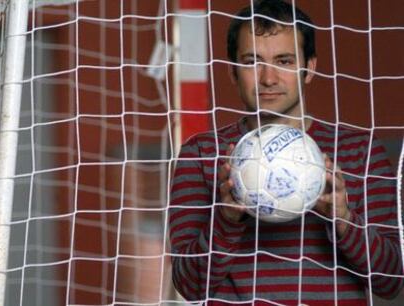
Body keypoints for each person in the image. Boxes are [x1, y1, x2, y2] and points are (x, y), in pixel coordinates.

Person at [169, 0, 404, 305]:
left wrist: (344, 220)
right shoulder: (201, 153)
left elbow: (391, 282)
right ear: (233, 72)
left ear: (309, 68)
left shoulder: (360, 150)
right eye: (252, 61)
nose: (268, 78)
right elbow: (189, 287)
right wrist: (227, 218)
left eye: (284, 61)